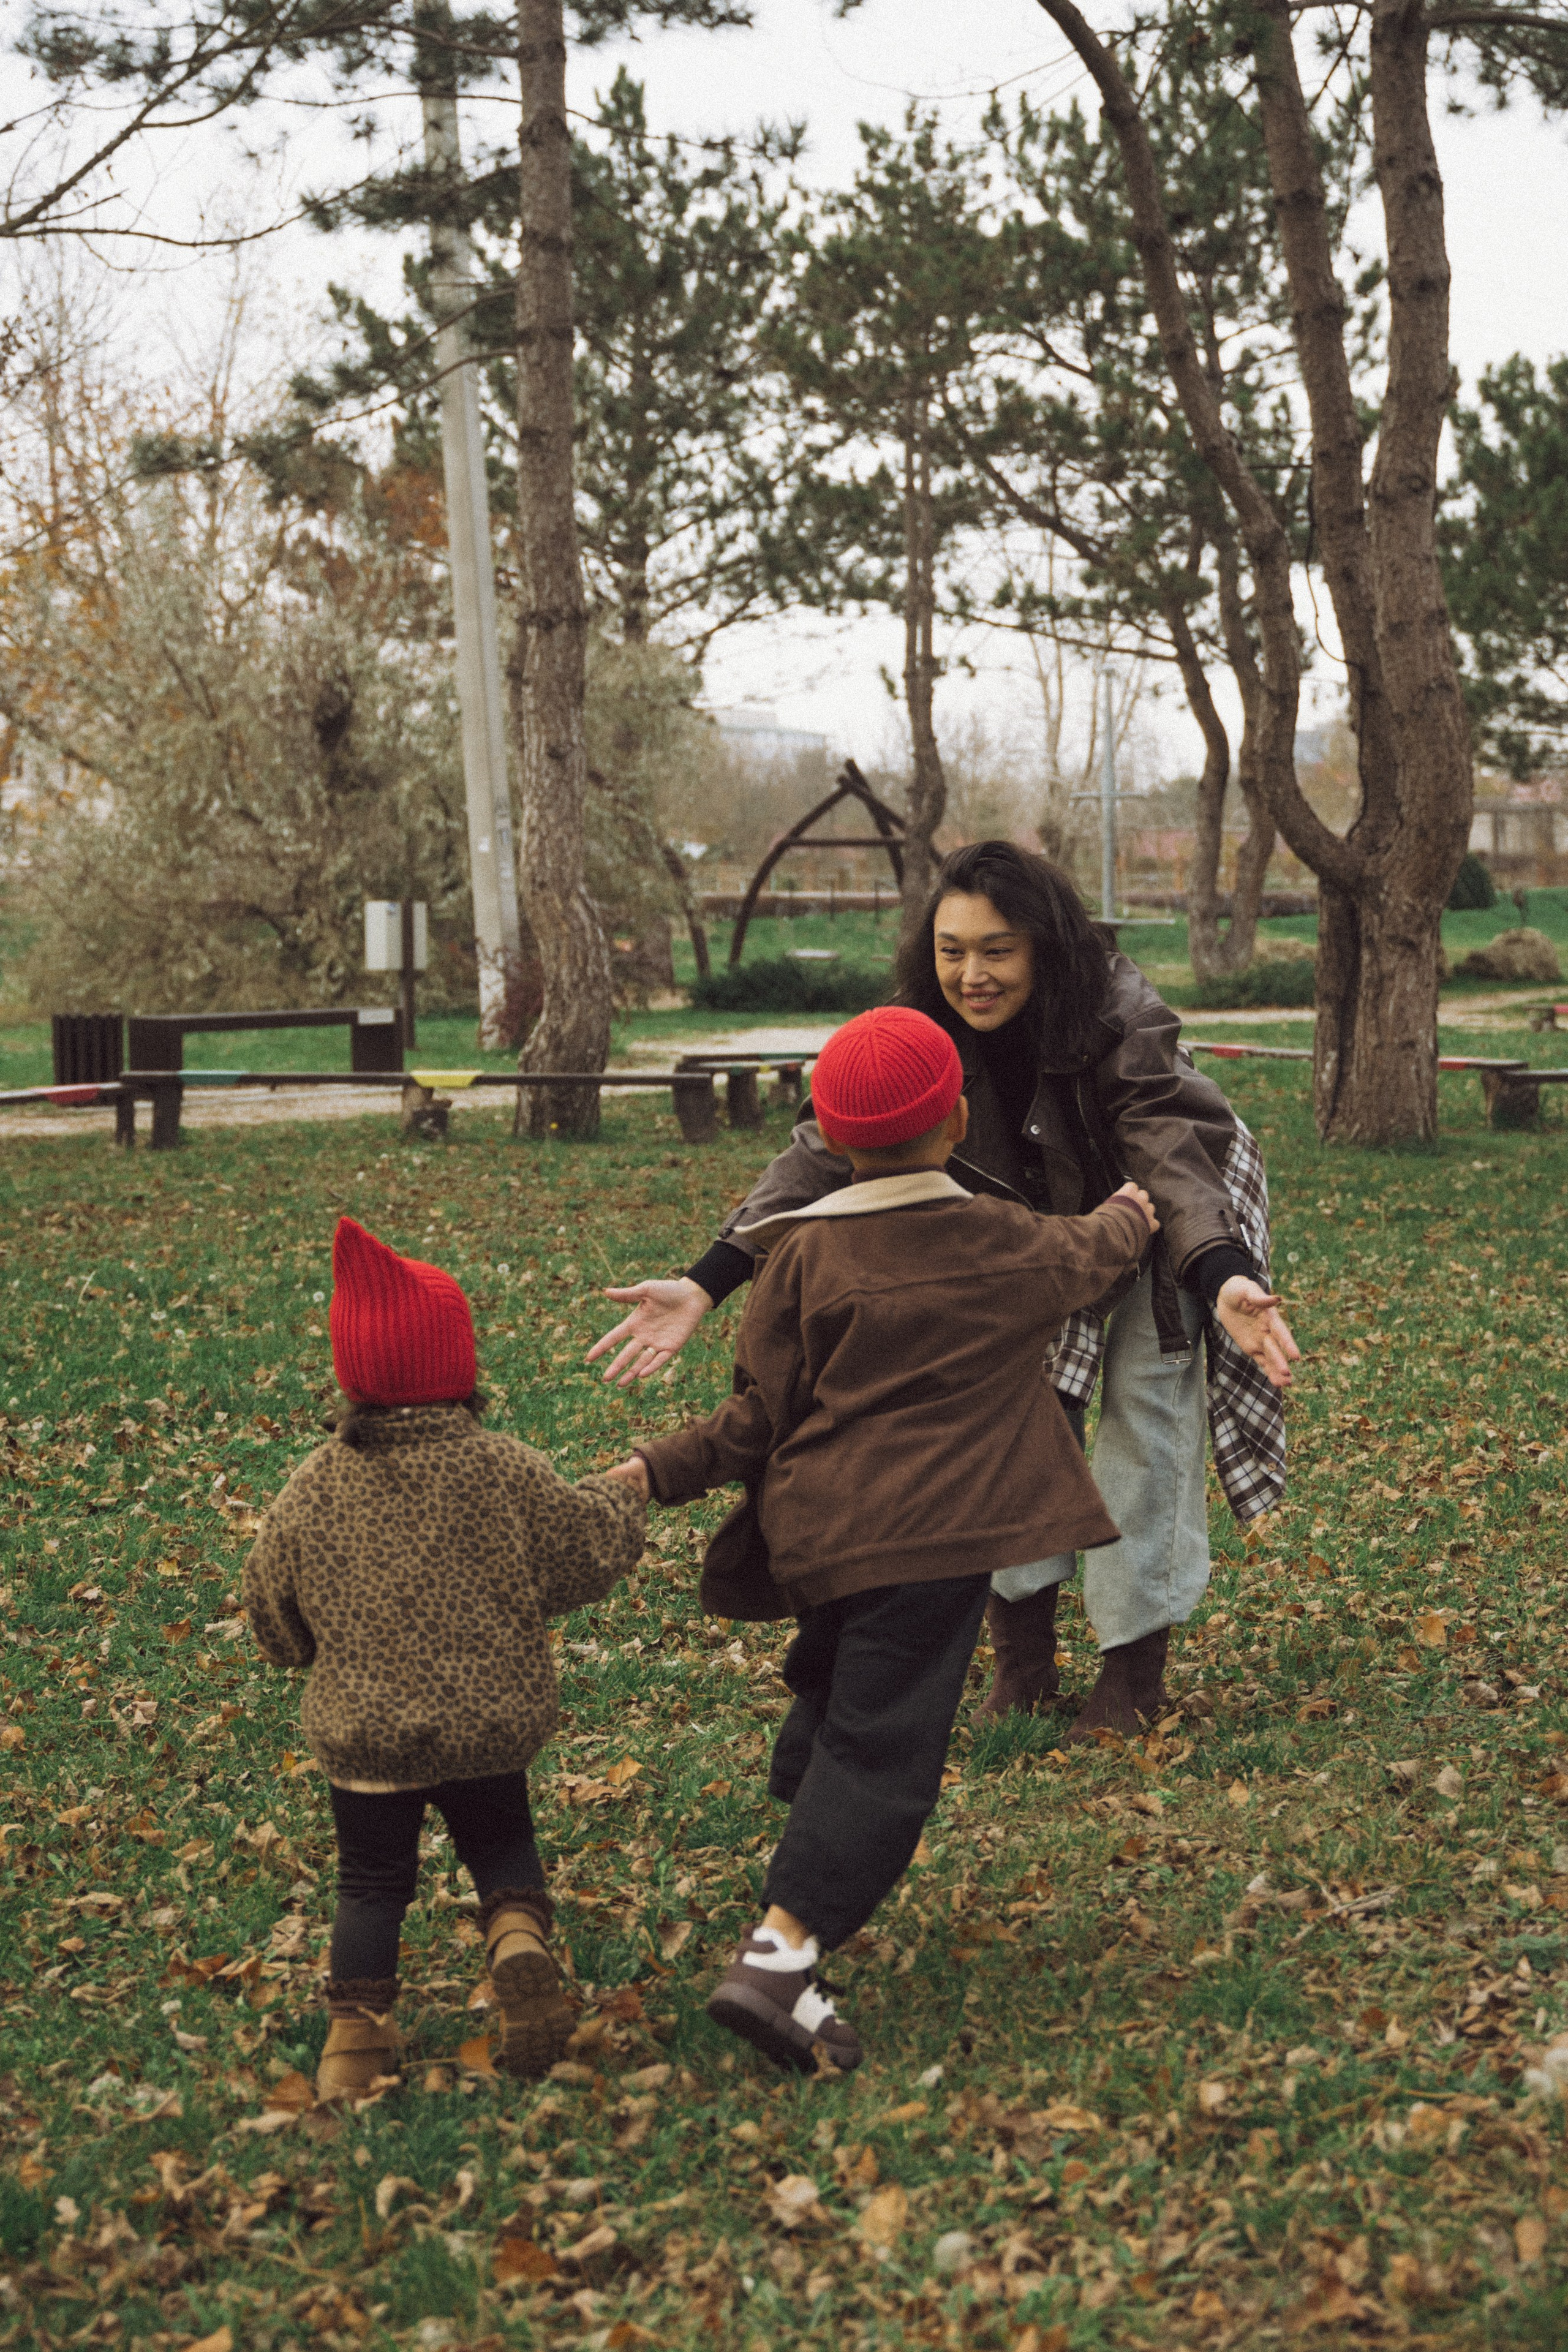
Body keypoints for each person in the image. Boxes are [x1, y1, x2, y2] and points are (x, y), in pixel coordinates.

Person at [590, 841, 1298, 1743]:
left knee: (1144, 1411)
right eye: (951, 948)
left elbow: (1162, 1142)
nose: (972, 973)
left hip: (1163, 1212)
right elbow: (823, 1148)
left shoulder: (1119, 1012)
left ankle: (1133, 1670)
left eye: (998, 949)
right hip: (1023, 1232)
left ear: (1046, 945)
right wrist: (706, 1280)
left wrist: (1221, 1268)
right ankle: (1023, 1656)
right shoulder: (914, 1022)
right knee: (1005, 1405)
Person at [603, 1005, 1155, 2071]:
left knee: (843, 1676)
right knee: (885, 1752)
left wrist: (652, 1468)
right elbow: (1093, 1256)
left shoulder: (799, 1259)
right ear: (956, 1121)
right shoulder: (1005, 1243)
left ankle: (808, 1788)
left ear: (828, 1132)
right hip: (934, 1545)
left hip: (820, 1539)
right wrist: (1134, 1208)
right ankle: (782, 1956)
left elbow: (755, 1419)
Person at [244, 1216, 645, 2101]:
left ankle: (355, 2040)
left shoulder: (316, 1485)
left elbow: (271, 1598)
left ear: (354, 1377)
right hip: (490, 1722)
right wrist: (625, 1498)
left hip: (368, 1735)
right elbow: (578, 1552)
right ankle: (515, 1939)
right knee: (501, 1839)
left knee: (373, 1880)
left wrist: (296, 1647)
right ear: (460, 1367)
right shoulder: (502, 1468)